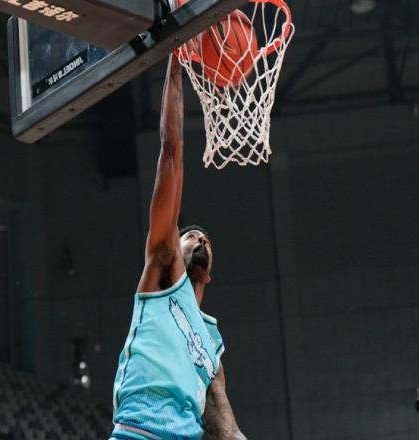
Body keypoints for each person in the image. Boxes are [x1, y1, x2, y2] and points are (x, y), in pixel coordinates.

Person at [110, 55, 245, 439]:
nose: (200, 239)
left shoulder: (212, 343)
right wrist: (175, 64)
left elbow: (224, 425)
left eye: (206, 240)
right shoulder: (163, 273)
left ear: (210, 273)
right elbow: (171, 153)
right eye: (190, 236)